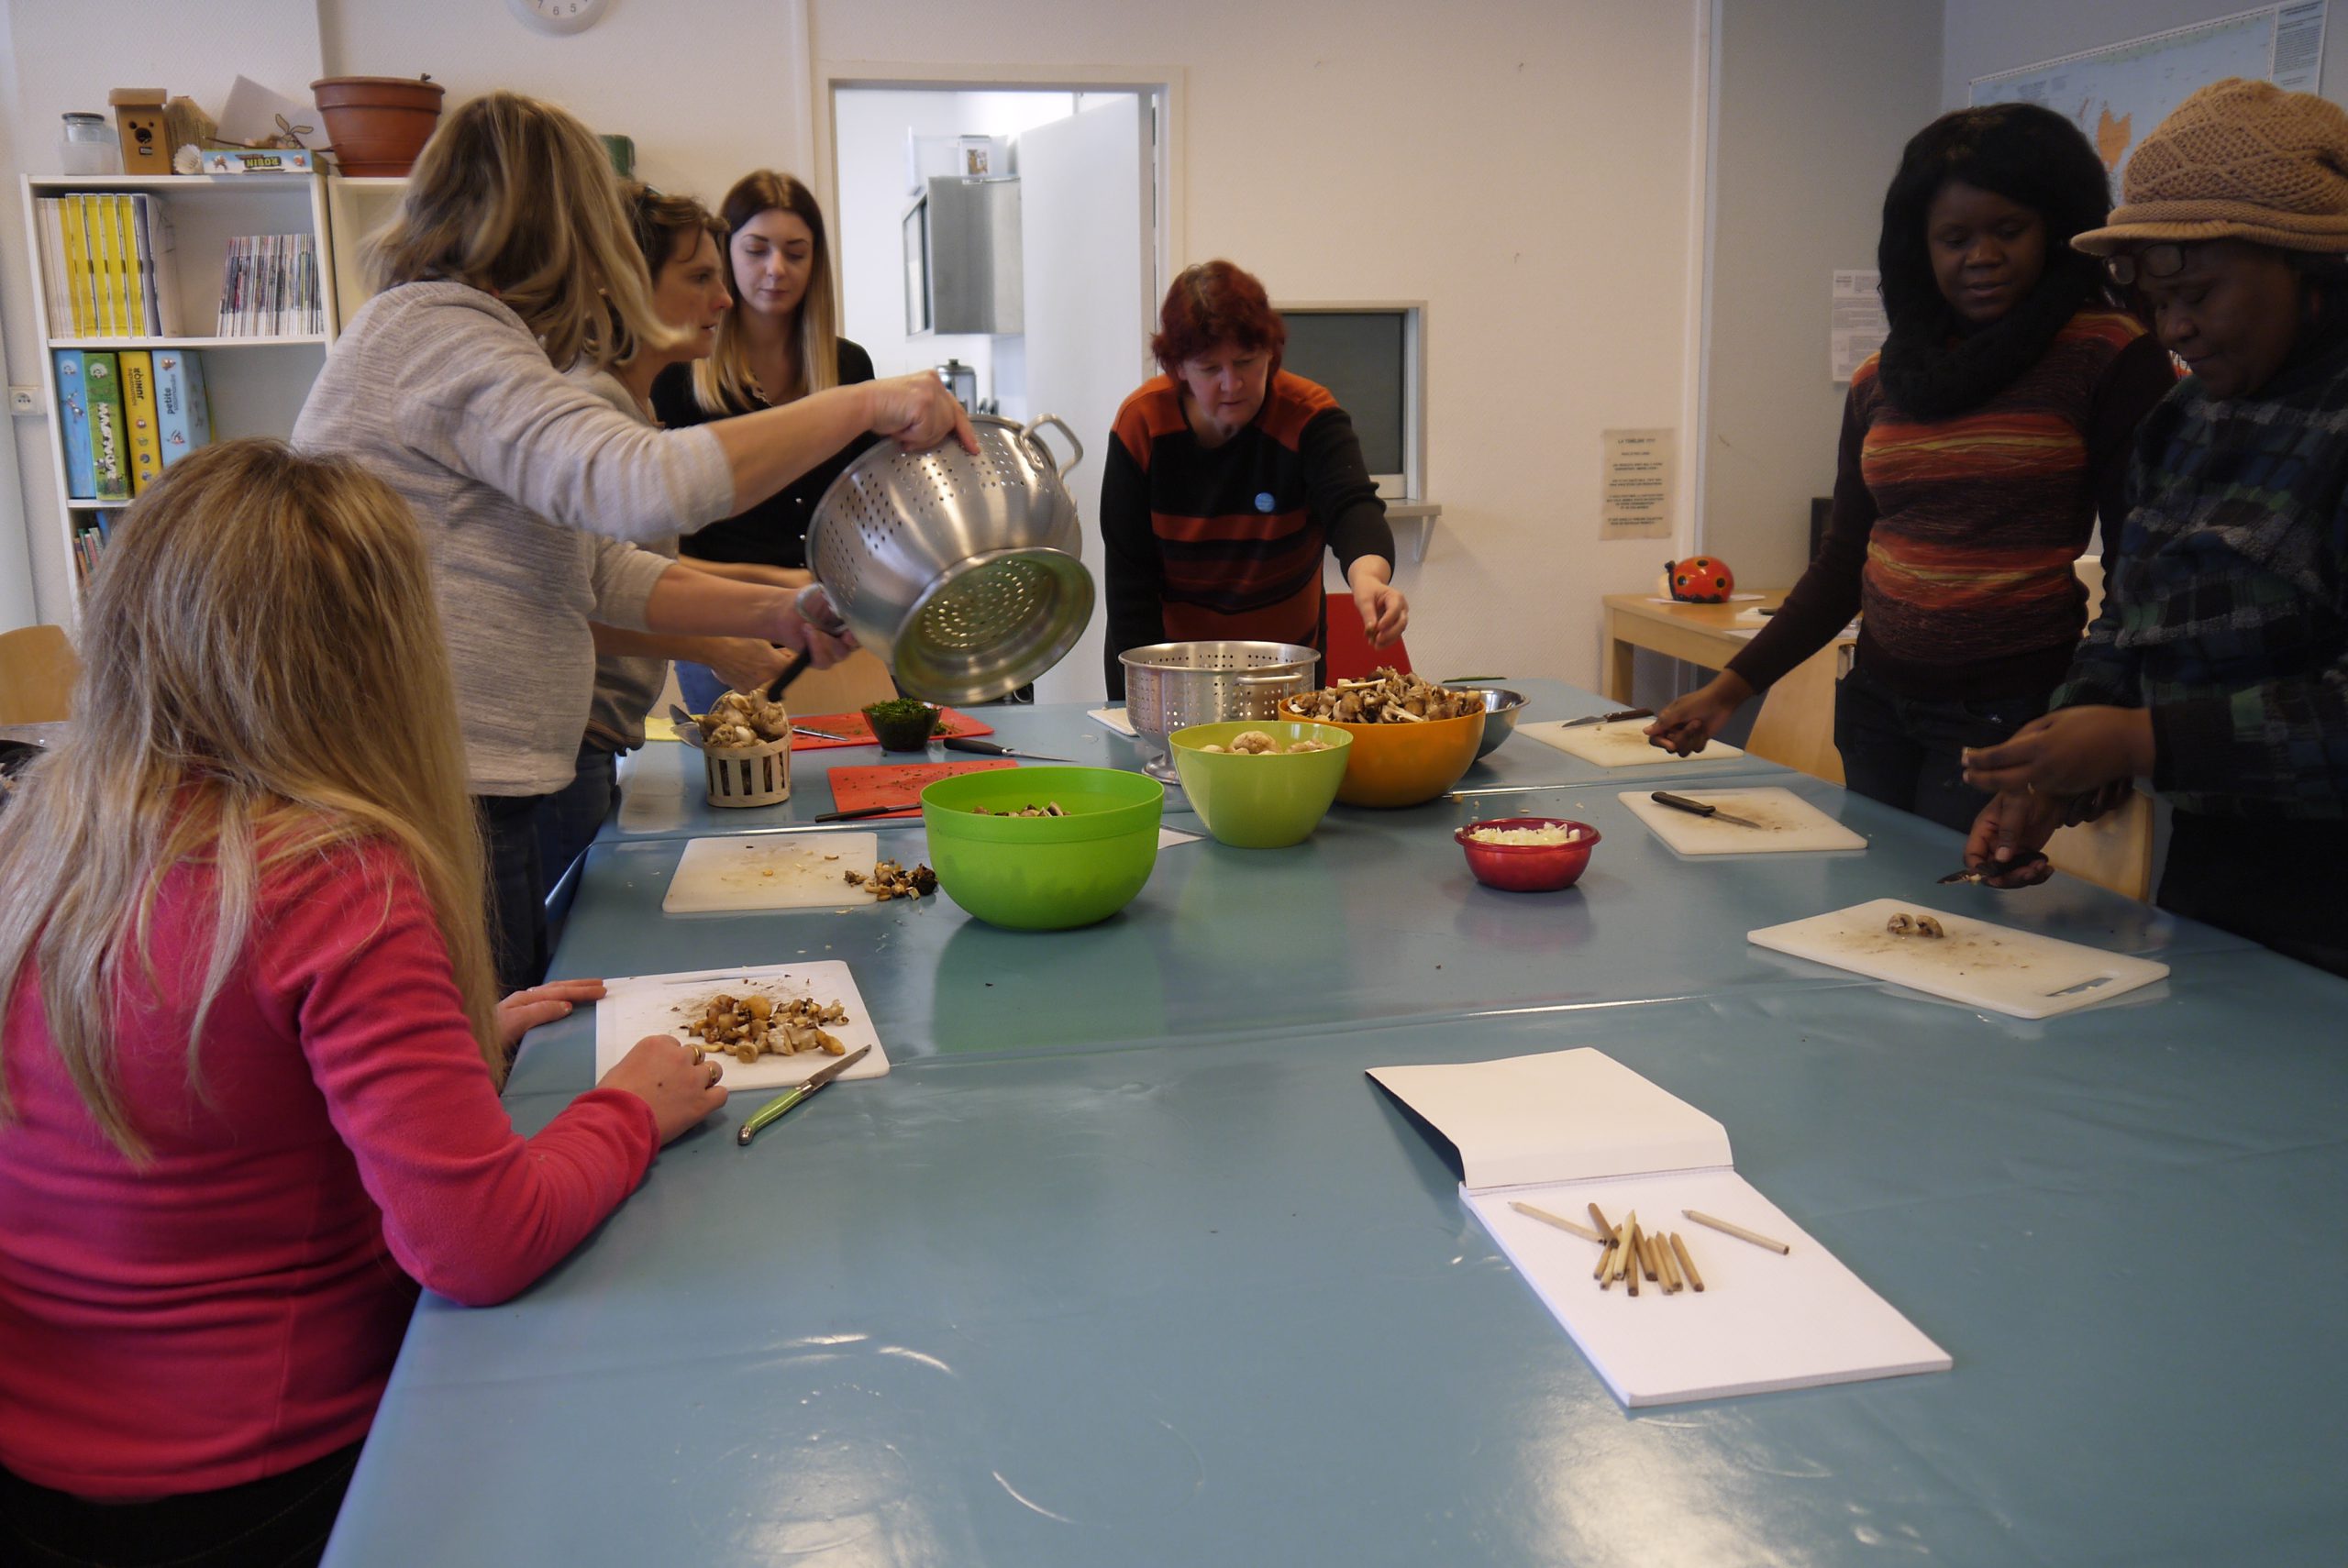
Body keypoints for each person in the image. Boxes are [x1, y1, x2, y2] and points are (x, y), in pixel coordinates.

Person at [0, 441, 731, 1568]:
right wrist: (628, 1108)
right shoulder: (331, 879)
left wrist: (432, 1057)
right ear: (383, 658)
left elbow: (195, 1104)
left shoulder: (41, 839)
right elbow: (476, 1245)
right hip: (273, 1482)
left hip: (44, 1477)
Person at [293, 94, 972, 992]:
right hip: (449, 782)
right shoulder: (442, 336)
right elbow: (644, 483)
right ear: (560, 227)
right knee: (490, 1059)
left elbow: (594, 568)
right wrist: (873, 401)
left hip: (475, 777)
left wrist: (777, 607)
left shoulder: (460, 339)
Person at [1645, 104, 2176, 834]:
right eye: (1954, 239)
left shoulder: (2110, 353)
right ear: (1917, 249)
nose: (1980, 256)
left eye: (2008, 230)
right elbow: (1843, 564)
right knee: (1874, 915)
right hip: (1876, 702)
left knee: (1950, 928)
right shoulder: (1881, 378)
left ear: (2055, 227)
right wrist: (1730, 689)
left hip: (2006, 710)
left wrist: (2100, 719)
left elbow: (2140, 574)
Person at [1962, 79, 2348, 977]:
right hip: (2218, 881)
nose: (2176, 328)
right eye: (2155, 298)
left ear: (2312, 271)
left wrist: (2145, 742)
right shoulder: (2183, 421)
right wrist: (2060, 764)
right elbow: (2129, 620)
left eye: (2200, 294)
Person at [536, 184, 806, 883]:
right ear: (623, 286)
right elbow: (579, 603)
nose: (725, 298)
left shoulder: (633, 402)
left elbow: (641, 568)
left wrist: (787, 587)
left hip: (590, 746)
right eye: (700, 277)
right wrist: (718, 645)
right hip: (567, 749)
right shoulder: (592, 405)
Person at [1099, 259, 1409, 699]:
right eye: (1210, 369)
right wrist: (1144, 698)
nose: (1232, 383)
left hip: (1284, 669)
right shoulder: (1142, 424)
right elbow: (1130, 584)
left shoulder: (1310, 416)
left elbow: (1353, 508)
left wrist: (1369, 579)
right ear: (1179, 368)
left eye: (1247, 361)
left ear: (1271, 352)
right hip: (1170, 673)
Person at [651, 171, 877, 714]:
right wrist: (782, 585)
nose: (776, 269)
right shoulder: (677, 376)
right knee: (743, 784)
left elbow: (867, 509)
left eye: (795, 253)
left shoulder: (849, 367)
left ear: (815, 264)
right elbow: (656, 559)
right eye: (756, 250)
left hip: (831, 630)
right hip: (725, 631)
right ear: (725, 256)